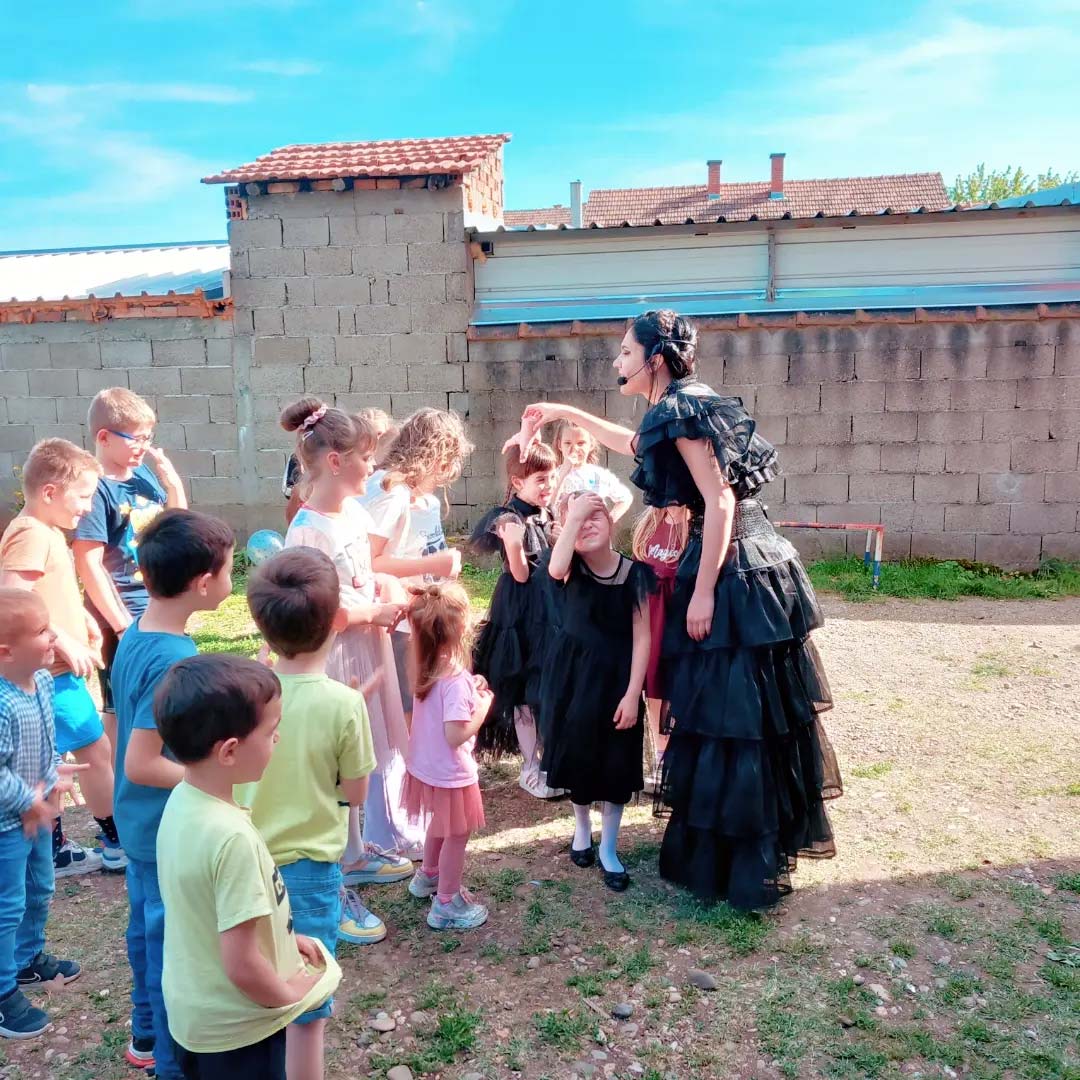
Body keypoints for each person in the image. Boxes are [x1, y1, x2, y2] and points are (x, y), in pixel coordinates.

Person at [508, 309, 842, 910]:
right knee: (736, 715)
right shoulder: (681, 405)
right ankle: (737, 842)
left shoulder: (682, 409)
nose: (618, 362)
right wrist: (561, 412)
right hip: (743, 559)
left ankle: (738, 857)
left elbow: (720, 501)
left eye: (626, 353)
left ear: (655, 359)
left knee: (733, 716)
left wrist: (706, 589)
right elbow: (630, 442)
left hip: (733, 567)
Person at [155, 654, 341, 1080]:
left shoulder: (183, 802)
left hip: (195, 1019)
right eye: (271, 732)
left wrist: (284, 943)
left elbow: (208, 911)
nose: (278, 739)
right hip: (237, 1032)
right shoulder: (231, 837)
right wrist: (290, 996)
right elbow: (241, 964)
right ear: (230, 751)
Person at [240, 547, 377, 1080]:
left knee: (253, 988)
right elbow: (357, 792)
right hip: (310, 871)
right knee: (307, 1006)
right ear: (337, 620)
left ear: (261, 623)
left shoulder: (245, 693)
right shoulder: (344, 703)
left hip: (243, 860)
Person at [110, 508, 236, 1078]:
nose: (232, 578)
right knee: (168, 949)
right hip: (162, 829)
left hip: (139, 824)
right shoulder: (172, 659)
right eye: (229, 569)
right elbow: (141, 762)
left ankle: (144, 1035)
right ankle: (170, 1064)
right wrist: (205, 780)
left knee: (145, 932)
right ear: (203, 583)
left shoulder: (139, 631)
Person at [281, 399, 411, 944]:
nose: (373, 466)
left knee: (361, 751)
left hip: (365, 644)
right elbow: (319, 611)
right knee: (335, 765)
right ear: (335, 462)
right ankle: (331, 885)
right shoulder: (307, 532)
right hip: (333, 654)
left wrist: (385, 591)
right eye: (365, 456)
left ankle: (355, 853)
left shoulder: (354, 513)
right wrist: (371, 611)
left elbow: (366, 571)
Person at [0, 438, 115, 878]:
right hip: (50, 673)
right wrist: (58, 637)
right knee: (95, 751)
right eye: (82, 496)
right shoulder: (31, 532)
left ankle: (55, 847)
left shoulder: (46, 531)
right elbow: (13, 600)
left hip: (52, 673)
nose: (88, 507)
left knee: (51, 759)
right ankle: (116, 842)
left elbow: (45, 591)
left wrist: (80, 618)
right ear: (50, 492)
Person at [73, 388, 187, 804]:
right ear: (103, 438)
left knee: (157, 699)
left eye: (148, 437)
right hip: (121, 616)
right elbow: (88, 562)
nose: (144, 446)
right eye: (135, 438)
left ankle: (152, 777)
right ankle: (121, 799)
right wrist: (121, 625)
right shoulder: (97, 491)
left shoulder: (144, 479)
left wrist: (173, 485)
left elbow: (177, 528)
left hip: (157, 608)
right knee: (120, 707)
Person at [538, 492, 654, 892]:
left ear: (612, 521)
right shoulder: (568, 568)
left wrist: (632, 693)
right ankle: (582, 829)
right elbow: (554, 567)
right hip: (572, 681)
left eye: (595, 516)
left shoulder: (635, 574)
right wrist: (573, 519)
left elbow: (643, 637)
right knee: (579, 756)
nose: (586, 524)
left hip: (616, 683)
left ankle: (609, 847)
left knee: (616, 761)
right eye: (577, 519)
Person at [0, 589, 85, 1039]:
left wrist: (53, 773)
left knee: (40, 888)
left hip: (37, 815)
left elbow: (45, 743)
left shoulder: (43, 682)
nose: (53, 636)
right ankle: (2, 993)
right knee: (6, 905)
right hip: (7, 824)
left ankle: (27, 959)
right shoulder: (1, 702)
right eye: (41, 631)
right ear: (6, 651)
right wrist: (29, 799)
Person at [469, 443, 563, 798]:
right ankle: (529, 766)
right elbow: (521, 574)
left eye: (552, 477)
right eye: (541, 479)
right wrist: (512, 545)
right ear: (517, 481)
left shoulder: (547, 512)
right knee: (522, 687)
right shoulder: (508, 519)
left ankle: (548, 760)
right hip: (520, 613)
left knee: (546, 685)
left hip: (549, 608)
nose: (549, 485)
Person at [402, 584, 492, 930]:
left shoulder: (427, 667)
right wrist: (483, 707)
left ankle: (428, 875)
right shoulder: (454, 679)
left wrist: (471, 688)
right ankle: (445, 903)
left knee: (440, 822)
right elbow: (455, 734)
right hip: (451, 771)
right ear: (462, 627)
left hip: (427, 765)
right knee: (457, 832)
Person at [630, 505, 689, 791]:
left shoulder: (695, 525)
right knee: (654, 687)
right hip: (651, 622)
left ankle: (684, 756)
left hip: (680, 623)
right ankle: (662, 755)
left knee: (680, 687)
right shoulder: (648, 524)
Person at [552, 420, 633, 522]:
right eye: (568, 443)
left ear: (591, 445)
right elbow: (548, 504)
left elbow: (625, 498)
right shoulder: (552, 475)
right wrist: (564, 472)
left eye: (581, 443)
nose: (574, 448)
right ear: (560, 445)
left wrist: (609, 521)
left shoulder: (598, 475)